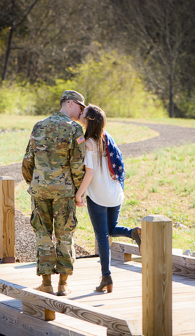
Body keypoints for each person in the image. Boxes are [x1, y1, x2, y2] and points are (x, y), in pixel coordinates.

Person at [22, 90, 86, 296]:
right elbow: (77, 164)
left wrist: (34, 182)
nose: (81, 112)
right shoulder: (75, 129)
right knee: (65, 235)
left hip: (39, 190)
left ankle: (46, 282)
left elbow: (27, 160)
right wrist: (78, 192)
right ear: (69, 104)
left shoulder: (39, 125)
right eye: (80, 107)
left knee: (43, 235)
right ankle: (63, 284)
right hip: (64, 192)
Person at [76, 104, 141, 293]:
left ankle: (106, 276)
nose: (81, 114)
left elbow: (89, 172)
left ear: (88, 121)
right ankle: (133, 233)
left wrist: (79, 194)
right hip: (115, 192)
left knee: (102, 236)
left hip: (99, 195)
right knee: (111, 229)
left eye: (83, 114)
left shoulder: (88, 143)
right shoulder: (107, 137)